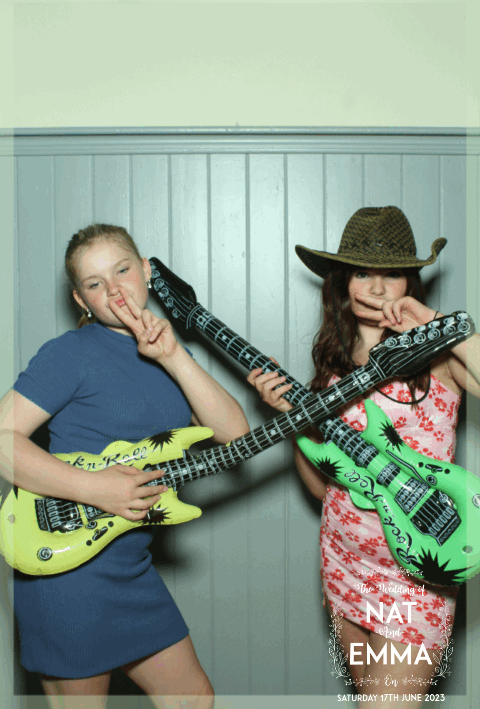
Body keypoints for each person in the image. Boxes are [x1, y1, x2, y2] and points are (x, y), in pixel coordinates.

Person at [0, 223, 249, 709]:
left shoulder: (169, 353)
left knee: (194, 699)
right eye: (96, 284)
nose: (115, 290)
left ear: (147, 271)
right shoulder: (69, 354)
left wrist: (173, 356)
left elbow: (235, 435)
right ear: (81, 300)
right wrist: (96, 489)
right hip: (66, 568)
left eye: (123, 270)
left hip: (130, 566)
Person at [247, 206, 480, 708]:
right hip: (344, 564)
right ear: (342, 285)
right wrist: (295, 422)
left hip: (420, 573)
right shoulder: (330, 369)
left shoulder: (440, 357)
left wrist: (434, 324)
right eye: (361, 273)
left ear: (410, 282)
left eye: (391, 274)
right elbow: (325, 488)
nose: (376, 288)